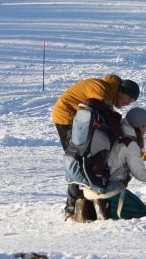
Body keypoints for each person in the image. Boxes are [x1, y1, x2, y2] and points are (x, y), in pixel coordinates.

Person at [52, 74, 140, 220]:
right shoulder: (101, 89)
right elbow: (100, 112)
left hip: (78, 120)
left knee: (86, 160)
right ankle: (73, 205)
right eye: (128, 99)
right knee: (78, 160)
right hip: (67, 118)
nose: (127, 104)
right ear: (121, 93)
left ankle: (85, 201)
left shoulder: (106, 90)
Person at [79, 106, 146, 221]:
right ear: (140, 126)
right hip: (110, 191)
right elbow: (142, 175)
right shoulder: (130, 144)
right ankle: (105, 209)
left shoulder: (116, 132)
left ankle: (90, 207)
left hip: (89, 188)